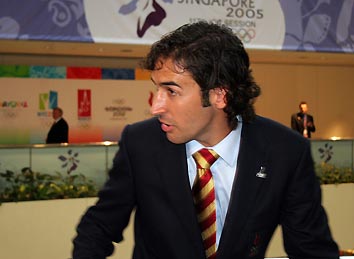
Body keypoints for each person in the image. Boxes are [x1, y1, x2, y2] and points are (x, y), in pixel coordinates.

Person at [72, 21, 339, 259]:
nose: (156, 106)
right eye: (156, 88)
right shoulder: (140, 144)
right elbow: (98, 228)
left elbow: (311, 248)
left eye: (171, 91)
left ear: (220, 95)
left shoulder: (285, 152)